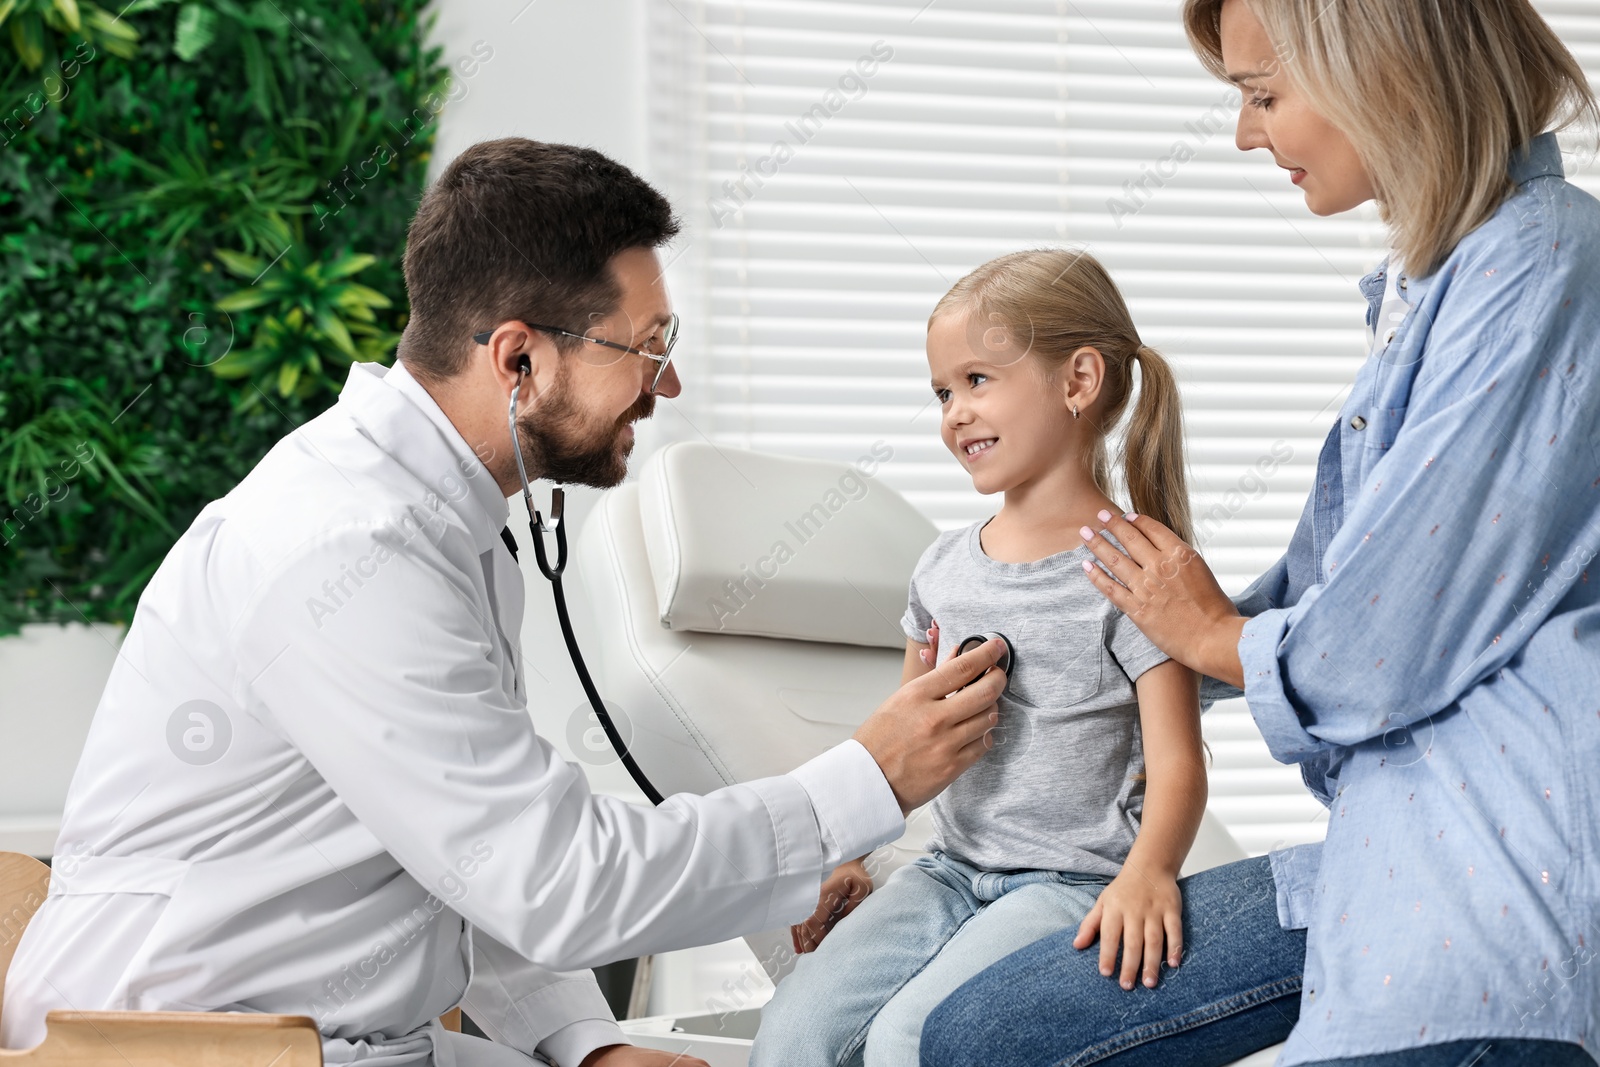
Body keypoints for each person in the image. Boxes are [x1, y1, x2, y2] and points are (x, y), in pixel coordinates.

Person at [0, 139, 1013, 1067]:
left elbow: (464, 846)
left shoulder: (441, 525)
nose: (666, 383)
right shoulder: (345, 547)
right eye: (646, 346)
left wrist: (584, 1042)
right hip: (176, 1049)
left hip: (336, 1036)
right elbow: (548, 874)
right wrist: (867, 777)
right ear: (520, 359)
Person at [920, 0, 1600, 1065]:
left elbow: (1376, 642)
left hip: (1490, 871)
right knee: (981, 1032)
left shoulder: (1539, 265)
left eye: (1263, 95)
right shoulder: (1434, 282)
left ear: (1385, 68)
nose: (1246, 133)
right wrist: (1107, 648)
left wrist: (1194, 636)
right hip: (1379, 843)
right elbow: (1331, 590)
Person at [749, 249, 1207, 1067]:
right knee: (792, 1035)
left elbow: (1179, 763)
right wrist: (853, 852)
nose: (955, 412)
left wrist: (1150, 873)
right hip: (945, 870)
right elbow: (901, 741)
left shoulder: (1144, 570)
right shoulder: (942, 568)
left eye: (978, 380)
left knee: (913, 1042)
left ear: (1078, 381)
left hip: (1067, 884)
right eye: (942, 392)